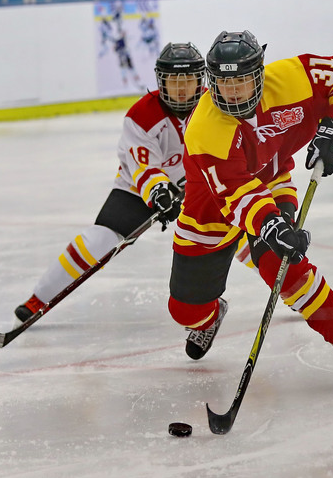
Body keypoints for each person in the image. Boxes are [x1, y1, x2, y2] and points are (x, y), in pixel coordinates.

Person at [166, 30, 333, 388]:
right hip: (210, 205)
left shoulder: (292, 78)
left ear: (259, 74)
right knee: (185, 310)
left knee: (284, 267)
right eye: (223, 83)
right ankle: (210, 314)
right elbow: (237, 194)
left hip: (270, 181)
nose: (232, 91)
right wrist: (270, 224)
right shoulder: (206, 129)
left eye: (240, 80)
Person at [12, 42, 204, 324]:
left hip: (197, 185)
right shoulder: (142, 117)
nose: (181, 89)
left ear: (201, 81)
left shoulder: (212, 109)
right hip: (140, 189)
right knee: (100, 240)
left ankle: (289, 286)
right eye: (174, 81)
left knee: (231, 227)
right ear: (161, 82)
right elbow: (143, 169)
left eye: (188, 81)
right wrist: (160, 193)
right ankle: (38, 298)